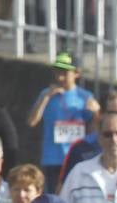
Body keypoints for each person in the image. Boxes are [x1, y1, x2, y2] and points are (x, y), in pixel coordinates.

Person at [27, 52, 100, 191]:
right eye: (58, 72)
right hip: (52, 158)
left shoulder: (85, 97)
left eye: (65, 73)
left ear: (76, 73)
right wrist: (46, 97)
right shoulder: (46, 94)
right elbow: (32, 121)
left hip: (77, 156)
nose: (60, 77)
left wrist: (97, 113)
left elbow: (93, 130)